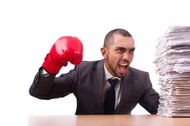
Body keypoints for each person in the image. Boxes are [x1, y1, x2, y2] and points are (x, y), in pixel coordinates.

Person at [29, 28, 160, 115]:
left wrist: (178, 79)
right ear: (105, 52)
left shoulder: (140, 79)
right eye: (120, 50)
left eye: (131, 50)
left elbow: (162, 109)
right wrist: (52, 64)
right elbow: (40, 92)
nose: (127, 57)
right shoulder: (83, 71)